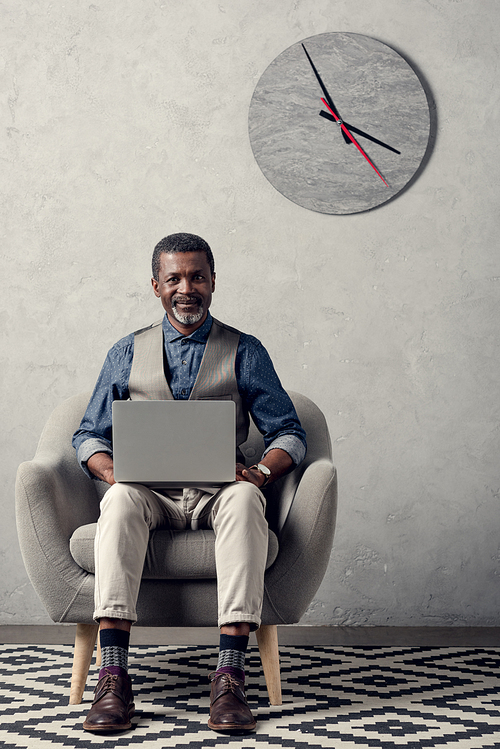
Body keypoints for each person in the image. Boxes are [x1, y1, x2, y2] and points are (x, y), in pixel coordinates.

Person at [72, 233, 306, 734]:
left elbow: (289, 430)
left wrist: (262, 471)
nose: (186, 288)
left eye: (197, 276)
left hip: (218, 491)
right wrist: (112, 471)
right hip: (148, 492)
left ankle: (230, 678)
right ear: (156, 285)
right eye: (174, 278)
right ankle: (113, 677)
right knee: (117, 501)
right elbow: (88, 434)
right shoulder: (125, 351)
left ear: (214, 282)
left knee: (247, 499)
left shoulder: (246, 349)